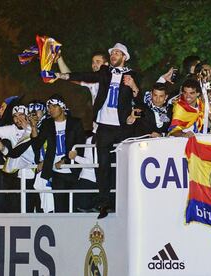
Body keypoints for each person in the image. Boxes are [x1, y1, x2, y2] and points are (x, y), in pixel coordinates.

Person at [55, 43, 139, 219]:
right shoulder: (100, 77)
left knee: (122, 165)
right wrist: (60, 71)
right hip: (102, 127)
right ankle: (104, 203)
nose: (95, 65)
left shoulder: (130, 75)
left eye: (98, 62)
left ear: (122, 57)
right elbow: (78, 76)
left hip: (122, 127)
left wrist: (134, 87)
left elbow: (139, 98)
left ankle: (124, 202)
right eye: (93, 62)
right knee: (102, 166)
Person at [30, 94, 85, 213]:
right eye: (49, 107)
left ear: (62, 107)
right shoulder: (47, 124)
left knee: (75, 206)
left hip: (73, 169)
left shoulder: (75, 123)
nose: (51, 110)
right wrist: (34, 127)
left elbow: (80, 146)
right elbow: (36, 144)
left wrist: (65, 160)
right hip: (56, 171)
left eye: (54, 106)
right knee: (60, 208)